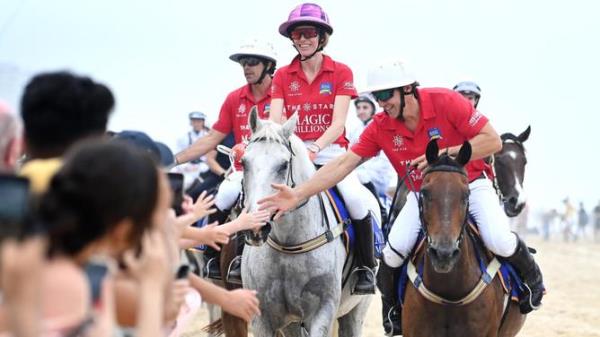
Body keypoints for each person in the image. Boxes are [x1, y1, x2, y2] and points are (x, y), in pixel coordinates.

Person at [259, 60, 545, 335]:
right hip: (425, 194)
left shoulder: (446, 101)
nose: (382, 103)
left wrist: (444, 154)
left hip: (471, 184)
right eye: (377, 96)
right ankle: (393, 312)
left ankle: (532, 284)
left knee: (499, 239)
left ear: (407, 89)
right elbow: (344, 164)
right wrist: (297, 194)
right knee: (392, 254)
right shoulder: (381, 126)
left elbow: (492, 141)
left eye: (386, 95)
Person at [267, 2, 381, 295]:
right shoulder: (281, 75)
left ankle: (365, 267)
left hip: (330, 152)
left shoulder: (341, 71)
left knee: (357, 200)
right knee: (260, 197)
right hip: (292, 153)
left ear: (321, 36)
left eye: (309, 33)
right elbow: (275, 120)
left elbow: (339, 123)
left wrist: (315, 147)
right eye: (297, 34)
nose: (303, 39)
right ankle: (247, 260)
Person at [173, 38, 277, 282]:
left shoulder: (281, 94)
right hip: (243, 171)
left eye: (252, 62)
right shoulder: (234, 98)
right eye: (243, 63)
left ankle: (363, 263)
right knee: (222, 197)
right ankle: (212, 257)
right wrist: (174, 159)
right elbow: (212, 138)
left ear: (268, 66)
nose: (247, 68)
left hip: (278, 171)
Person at [348, 96, 395, 221]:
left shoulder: (379, 126)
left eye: (365, 107)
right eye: (358, 108)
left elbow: (384, 159)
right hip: (361, 170)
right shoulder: (355, 129)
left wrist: (358, 169)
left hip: (378, 173)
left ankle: (381, 210)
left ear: (373, 109)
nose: (361, 111)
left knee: (359, 176)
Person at [174, 111, 211, 191]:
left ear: (203, 122)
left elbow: (210, 158)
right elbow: (177, 155)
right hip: (187, 168)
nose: (197, 123)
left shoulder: (209, 137)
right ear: (191, 122)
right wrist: (186, 166)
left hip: (203, 169)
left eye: (199, 121)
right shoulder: (183, 138)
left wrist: (199, 167)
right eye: (194, 121)